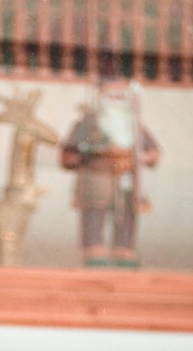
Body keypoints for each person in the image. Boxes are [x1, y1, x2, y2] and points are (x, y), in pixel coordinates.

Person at [60, 73, 160, 267]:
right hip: (96, 177)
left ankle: (124, 250)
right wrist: (86, 152)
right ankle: (93, 250)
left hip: (126, 178)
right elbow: (69, 153)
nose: (116, 100)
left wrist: (141, 157)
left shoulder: (134, 125)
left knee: (126, 215)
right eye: (111, 95)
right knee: (93, 214)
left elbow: (152, 151)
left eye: (121, 95)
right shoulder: (87, 124)